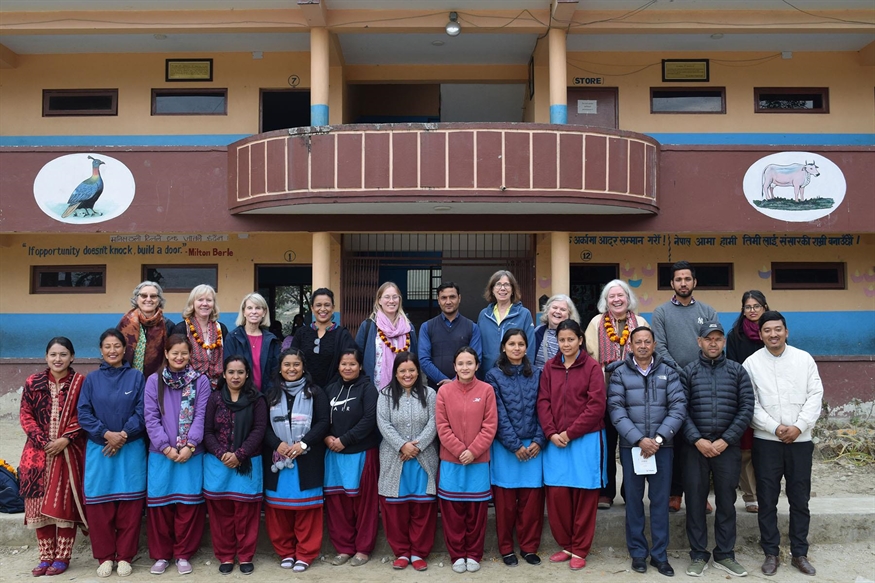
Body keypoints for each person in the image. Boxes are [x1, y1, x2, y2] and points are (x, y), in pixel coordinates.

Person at [742, 311, 822, 577]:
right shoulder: (752, 363)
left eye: (778, 329)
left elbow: (815, 395)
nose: (773, 335)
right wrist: (774, 427)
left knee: (800, 499)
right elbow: (750, 403)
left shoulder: (804, 359)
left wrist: (798, 426)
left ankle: (800, 552)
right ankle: (771, 553)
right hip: (767, 441)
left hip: (801, 441)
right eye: (767, 330)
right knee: (767, 499)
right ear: (760, 334)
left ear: (786, 332)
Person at [607, 326, 685, 577]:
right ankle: (638, 553)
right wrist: (640, 439)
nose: (642, 345)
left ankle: (660, 555)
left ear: (654, 345)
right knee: (634, 502)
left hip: (663, 447)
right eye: (637, 342)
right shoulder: (619, 373)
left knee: (660, 502)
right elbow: (616, 410)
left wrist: (659, 439)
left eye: (647, 342)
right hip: (633, 448)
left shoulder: (668, 372)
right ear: (630, 346)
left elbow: (678, 407)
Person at [681, 322, 754, 578]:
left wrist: (726, 439)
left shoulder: (737, 371)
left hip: (727, 447)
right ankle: (698, 553)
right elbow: (681, 409)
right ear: (699, 341)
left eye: (718, 339)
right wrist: (697, 439)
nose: (713, 343)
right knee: (695, 500)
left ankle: (725, 554)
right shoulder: (688, 372)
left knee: (726, 501)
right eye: (708, 339)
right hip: (695, 448)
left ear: (724, 342)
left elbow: (746, 408)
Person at [77, 329, 147, 578]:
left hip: (130, 448)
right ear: (101, 350)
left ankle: (126, 556)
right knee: (100, 505)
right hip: (100, 449)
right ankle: (105, 556)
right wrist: (107, 434)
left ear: (124, 348)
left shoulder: (137, 377)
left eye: (117, 346)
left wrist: (123, 435)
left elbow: (143, 411)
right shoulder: (92, 380)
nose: (112, 351)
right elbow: (84, 413)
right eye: (107, 346)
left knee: (130, 504)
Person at [537, 319, 605, 571]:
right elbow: (542, 402)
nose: (565, 344)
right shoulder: (549, 367)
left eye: (570, 339)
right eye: (561, 340)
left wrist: (571, 432)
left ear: (580, 340)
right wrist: (552, 433)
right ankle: (565, 544)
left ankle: (580, 548)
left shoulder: (592, 367)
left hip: (585, 439)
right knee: (557, 495)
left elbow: (596, 406)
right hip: (555, 440)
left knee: (584, 495)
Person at [651, 261, 717, 513]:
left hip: (702, 382)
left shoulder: (707, 311)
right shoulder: (661, 312)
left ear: (694, 282)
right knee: (675, 439)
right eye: (678, 279)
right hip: (672, 383)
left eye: (687, 279)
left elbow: (712, 343)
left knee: (699, 439)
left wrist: (696, 373)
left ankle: (699, 494)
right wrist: (682, 372)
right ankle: (674, 492)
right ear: (672, 284)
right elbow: (661, 348)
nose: (683, 283)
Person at [143, 335, 211, 575]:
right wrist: (166, 447)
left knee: (188, 505)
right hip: (161, 454)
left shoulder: (201, 381)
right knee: (160, 505)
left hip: (191, 453)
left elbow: (202, 415)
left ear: (190, 354)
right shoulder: (154, 381)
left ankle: (183, 553)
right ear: (166, 354)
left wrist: (190, 445)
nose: (179, 358)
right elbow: (150, 417)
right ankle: (161, 555)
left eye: (184, 353)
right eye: (175, 353)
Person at [19, 337, 87, 577]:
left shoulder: (80, 384)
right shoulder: (33, 382)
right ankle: (45, 556)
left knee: (63, 504)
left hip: (68, 453)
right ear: (46, 357)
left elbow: (84, 414)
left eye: (63, 354)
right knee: (38, 506)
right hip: (37, 455)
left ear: (72, 357)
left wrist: (65, 439)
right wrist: (43, 442)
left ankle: (62, 557)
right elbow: (26, 415)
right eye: (53, 354)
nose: (58, 359)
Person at [263, 348, 330, 573]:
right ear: (280, 368)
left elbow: (323, 422)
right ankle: (285, 552)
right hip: (277, 460)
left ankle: (305, 553)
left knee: (307, 510)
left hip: (306, 459)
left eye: (296, 365)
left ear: (303, 367)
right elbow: (262, 426)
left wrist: (303, 444)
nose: (292, 369)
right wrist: (277, 445)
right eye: (287, 365)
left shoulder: (315, 393)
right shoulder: (270, 394)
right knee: (278, 511)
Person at [584, 279, 648, 509]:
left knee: (632, 443)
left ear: (628, 298)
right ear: (605, 300)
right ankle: (606, 492)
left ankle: (630, 491)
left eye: (621, 295)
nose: (617, 299)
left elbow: (647, 353)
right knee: (607, 444)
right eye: (612, 296)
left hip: (635, 394)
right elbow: (590, 358)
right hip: (605, 392)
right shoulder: (595, 323)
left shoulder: (640, 322)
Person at [485, 329, 545, 567]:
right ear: (503, 347)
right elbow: (497, 413)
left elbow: (544, 408)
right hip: (506, 448)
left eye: (521, 344)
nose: (517, 348)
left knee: (531, 503)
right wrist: (514, 444)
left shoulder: (538, 374)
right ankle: (507, 548)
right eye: (512, 344)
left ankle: (529, 547)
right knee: (506, 504)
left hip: (534, 447)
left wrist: (539, 440)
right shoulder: (493, 376)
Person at [435, 347, 498, 574]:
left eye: (469, 363)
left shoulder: (487, 390)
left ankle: (473, 553)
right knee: (453, 513)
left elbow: (490, 425)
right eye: (460, 363)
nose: (465, 367)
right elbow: (442, 426)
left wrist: (473, 451)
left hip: (478, 461)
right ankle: (457, 554)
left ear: (477, 365)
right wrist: (460, 450)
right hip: (451, 461)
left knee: (476, 512)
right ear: (454, 367)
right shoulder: (444, 392)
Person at [203, 356, 267, 575]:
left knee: (246, 513)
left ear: (247, 374)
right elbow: (207, 432)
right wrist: (222, 454)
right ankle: (226, 555)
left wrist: (240, 454)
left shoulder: (256, 399)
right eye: (231, 372)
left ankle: (246, 555)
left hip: (247, 463)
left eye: (240, 372)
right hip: (218, 463)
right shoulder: (214, 399)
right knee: (221, 514)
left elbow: (259, 429)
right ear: (224, 374)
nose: (235, 376)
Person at [376, 352, 439, 572]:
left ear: (418, 372)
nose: (407, 374)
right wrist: (402, 445)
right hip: (395, 458)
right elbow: (383, 423)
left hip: (424, 458)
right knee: (396, 510)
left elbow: (435, 421)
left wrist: (417, 446)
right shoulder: (385, 395)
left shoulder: (430, 394)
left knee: (422, 508)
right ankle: (402, 551)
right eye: (402, 370)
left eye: (411, 370)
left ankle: (419, 552)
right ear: (395, 373)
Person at [323, 348, 381, 567]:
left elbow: (369, 419)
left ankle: (363, 549)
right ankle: (344, 548)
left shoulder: (368, 389)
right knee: (338, 503)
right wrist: (327, 437)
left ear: (360, 366)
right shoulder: (329, 390)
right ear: (338, 366)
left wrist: (345, 439)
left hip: (362, 453)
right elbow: (321, 418)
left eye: (352, 364)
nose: (348, 368)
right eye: (344, 364)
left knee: (364, 504)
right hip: (334, 455)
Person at [726, 290, 770, 514]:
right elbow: (733, 366)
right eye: (748, 307)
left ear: (764, 307)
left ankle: (766, 494)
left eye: (756, 306)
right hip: (744, 395)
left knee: (766, 448)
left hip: (771, 397)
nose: (752, 310)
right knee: (745, 449)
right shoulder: (735, 335)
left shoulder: (772, 331)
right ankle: (750, 496)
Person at [282, 288, 357, 390]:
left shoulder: (343, 335)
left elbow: (349, 365)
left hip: (334, 392)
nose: (322, 309)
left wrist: (329, 389)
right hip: (303, 391)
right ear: (312, 308)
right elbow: (293, 361)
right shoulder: (301, 333)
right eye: (318, 305)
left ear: (333, 308)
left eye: (327, 305)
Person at [356, 282, 419, 391]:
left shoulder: (408, 328)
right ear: (379, 300)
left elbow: (415, 357)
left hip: (404, 387)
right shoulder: (368, 326)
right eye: (387, 297)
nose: (391, 301)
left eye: (395, 297)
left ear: (399, 300)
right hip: (375, 388)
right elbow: (357, 357)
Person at [418, 282, 482, 388]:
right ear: (438, 300)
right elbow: (424, 360)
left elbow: (476, 358)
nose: (448, 302)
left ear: (459, 298)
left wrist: (456, 382)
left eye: (452, 297)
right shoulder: (427, 327)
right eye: (443, 298)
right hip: (435, 388)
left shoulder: (472, 327)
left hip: (466, 387)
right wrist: (445, 381)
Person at [171, 284, 229, 390]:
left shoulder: (221, 328)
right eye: (200, 300)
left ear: (213, 304)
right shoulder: (181, 328)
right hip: (188, 386)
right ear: (192, 303)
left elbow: (228, 358)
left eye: (209, 300)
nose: (205, 304)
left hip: (218, 387)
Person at [477, 270, 535, 374]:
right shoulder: (484, 315)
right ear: (492, 289)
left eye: (507, 285)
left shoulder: (524, 314)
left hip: (515, 373)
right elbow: (479, 345)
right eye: (498, 284)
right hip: (487, 373)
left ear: (513, 290)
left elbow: (530, 346)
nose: (502, 288)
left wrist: (527, 371)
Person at [117, 281, 176, 379]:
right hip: (127, 379)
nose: (148, 299)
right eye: (144, 296)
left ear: (159, 300)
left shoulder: (168, 325)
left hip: (158, 380)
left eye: (153, 296)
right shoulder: (124, 323)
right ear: (136, 299)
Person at [224, 292, 281, 392]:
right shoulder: (232, 338)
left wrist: (269, 396)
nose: (253, 312)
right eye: (249, 308)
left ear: (264, 312)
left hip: (265, 398)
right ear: (244, 312)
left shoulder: (271, 340)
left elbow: (275, 371)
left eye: (258, 308)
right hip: (240, 397)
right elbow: (228, 370)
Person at [534, 294, 581, 368]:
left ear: (569, 314)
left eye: (563, 309)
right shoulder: (537, 332)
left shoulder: (575, 336)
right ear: (547, 310)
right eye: (554, 307)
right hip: (539, 378)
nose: (558, 311)